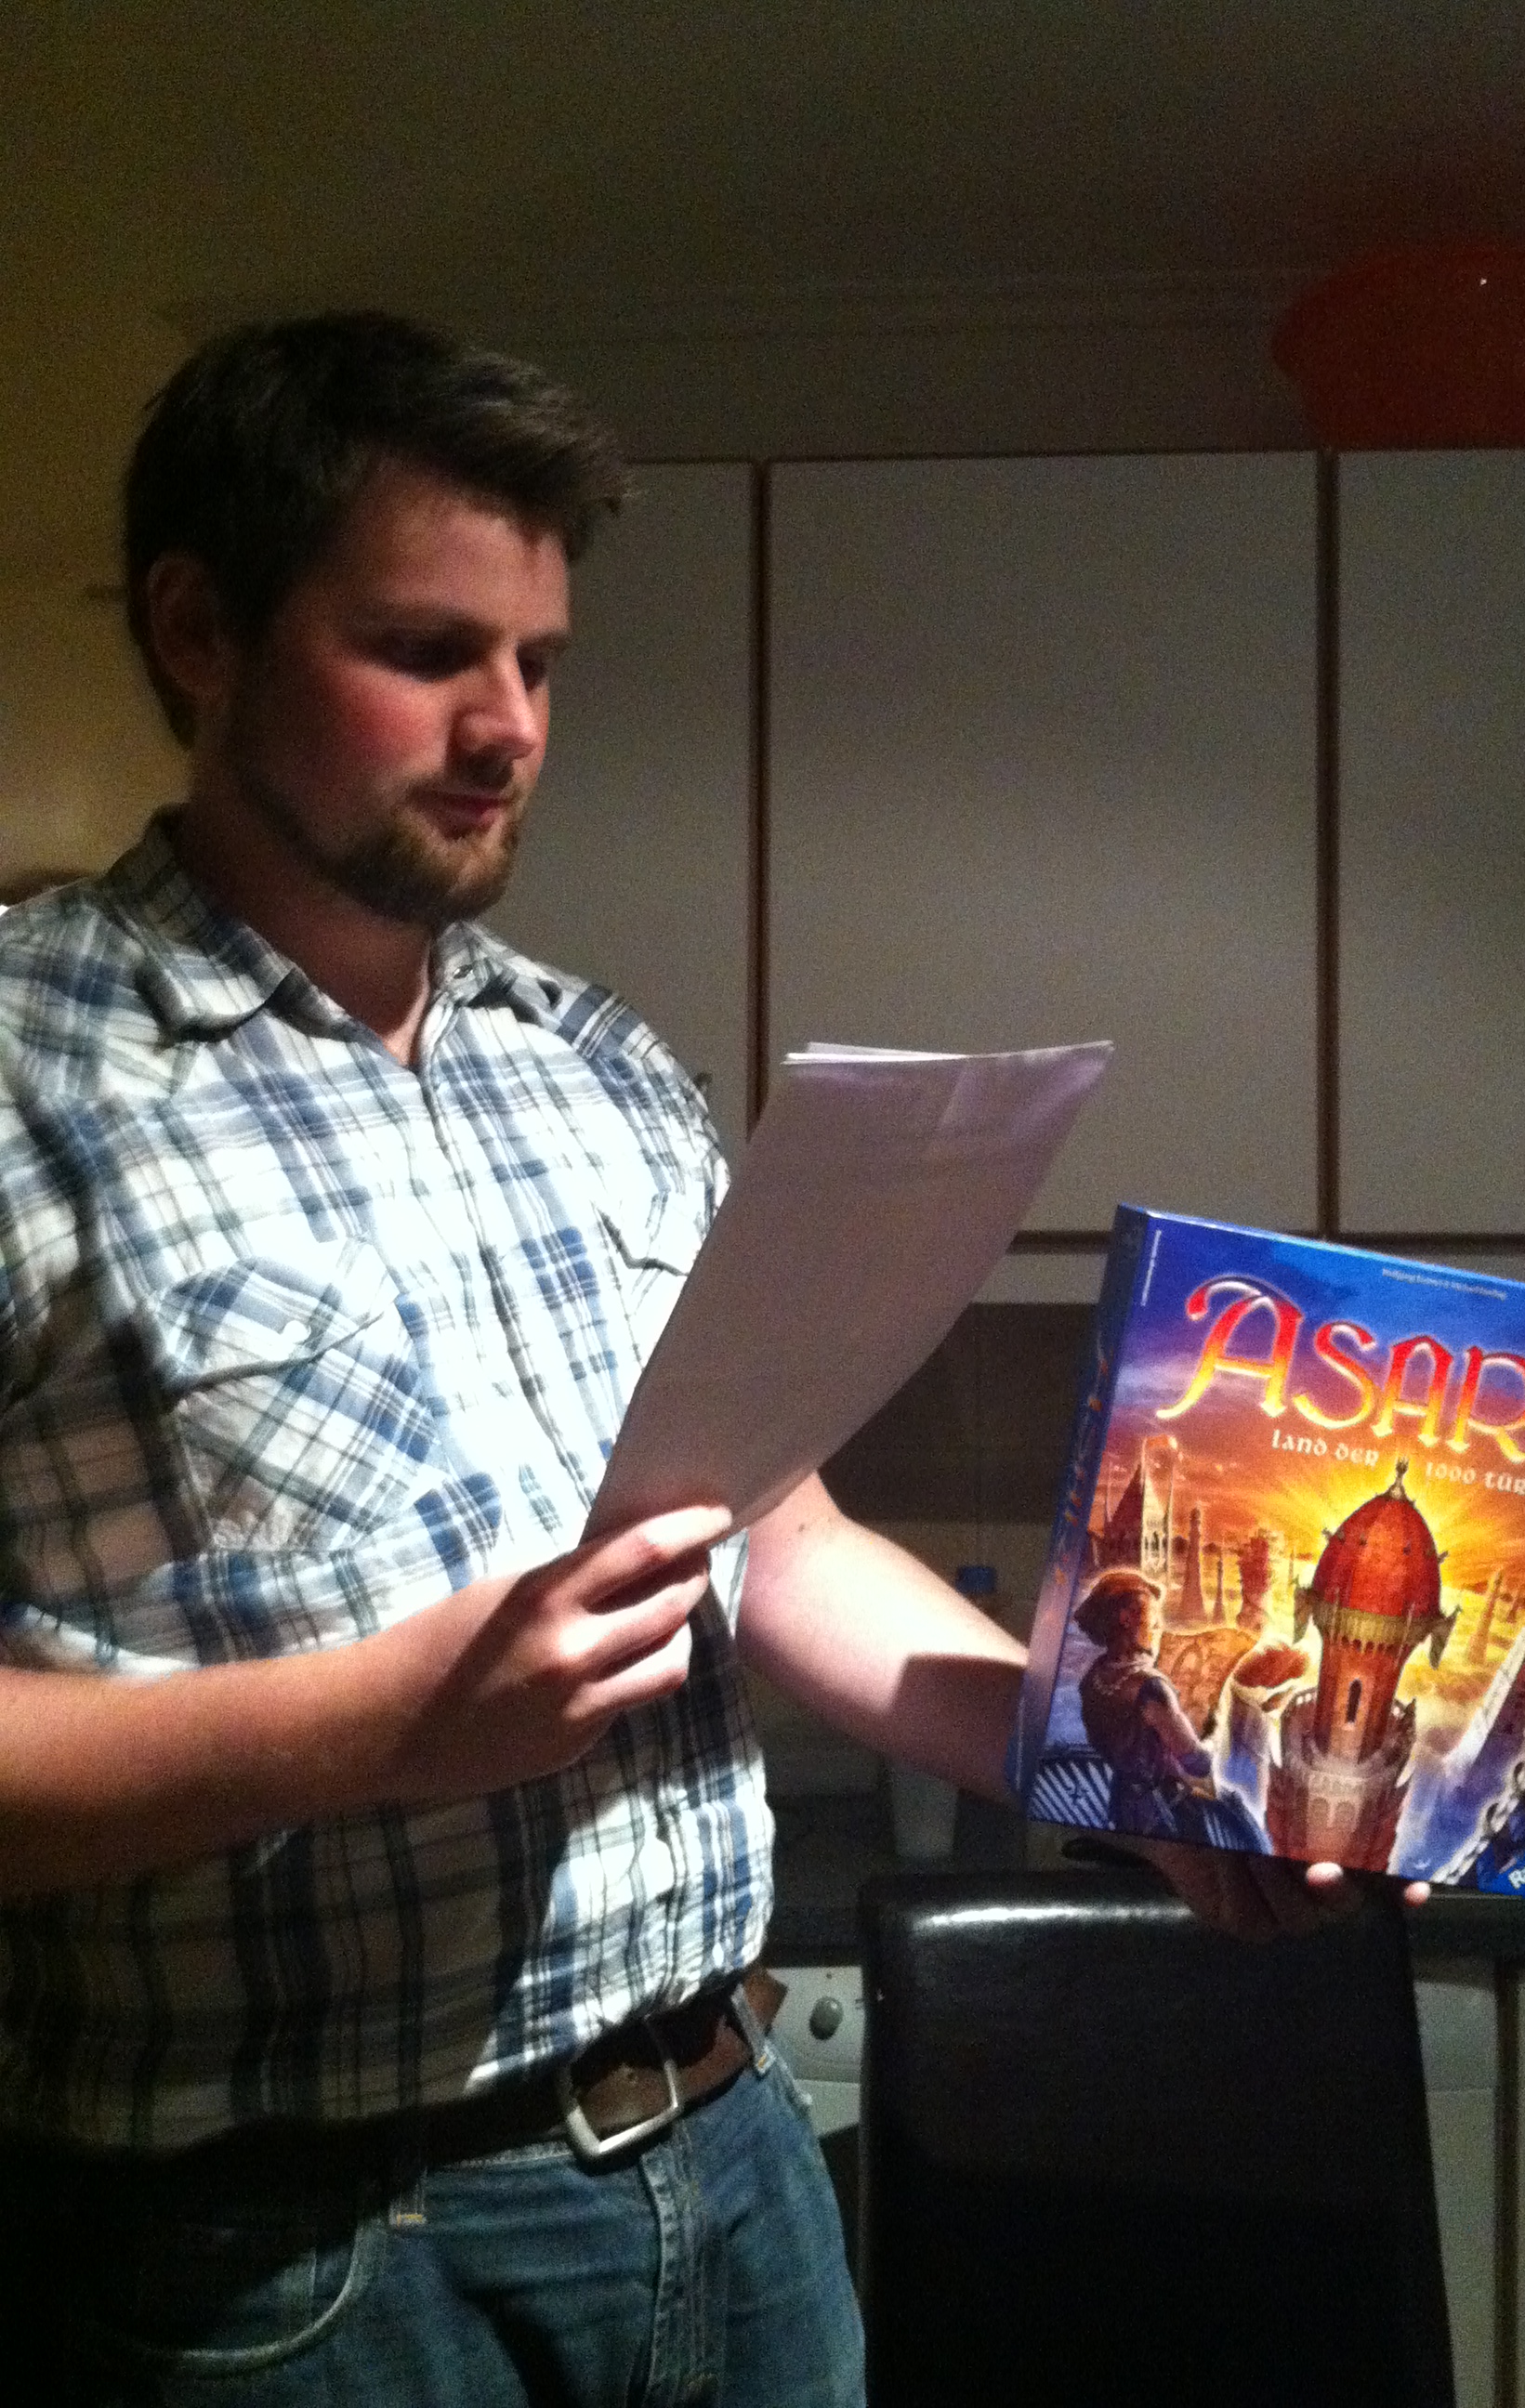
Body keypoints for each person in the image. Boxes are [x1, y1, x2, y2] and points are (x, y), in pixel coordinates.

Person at [0, 312, 1028, 2407]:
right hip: (288, 2268)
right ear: (198, 631)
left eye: (539, 663)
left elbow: (784, 1545)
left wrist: (1120, 1767)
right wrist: (380, 1729)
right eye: (424, 651)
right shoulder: (27, 1071)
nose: (507, 729)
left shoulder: (605, 1069)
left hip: (733, 2174)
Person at [1073, 1567, 1268, 1852]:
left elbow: (1101, 1743)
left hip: (1122, 1806)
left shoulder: (1092, 1679)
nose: (1159, 1629)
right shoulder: (1151, 1688)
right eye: (1153, 1621)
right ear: (1126, 1619)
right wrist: (1212, 1730)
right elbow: (1198, 1764)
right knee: (1238, 1815)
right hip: (1166, 1818)